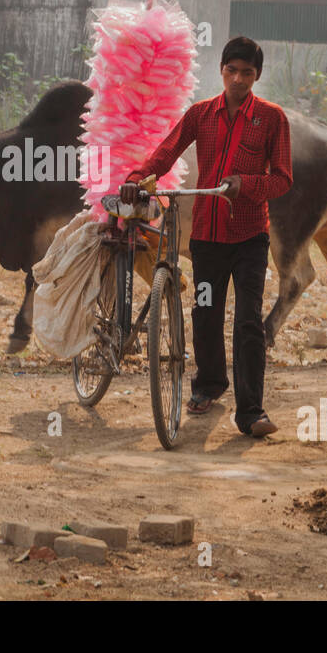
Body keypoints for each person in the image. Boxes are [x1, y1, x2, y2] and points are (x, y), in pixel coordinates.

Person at [119, 37, 292, 437]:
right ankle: (209, 385)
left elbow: (282, 180)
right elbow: (167, 151)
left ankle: (251, 412)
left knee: (249, 322)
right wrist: (135, 179)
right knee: (205, 313)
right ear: (221, 70)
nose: (238, 79)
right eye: (231, 71)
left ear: (257, 76)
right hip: (207, 241)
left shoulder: (271, 118)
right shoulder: (200, 114)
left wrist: (245, 185)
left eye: (246, 73)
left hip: (250, 239)